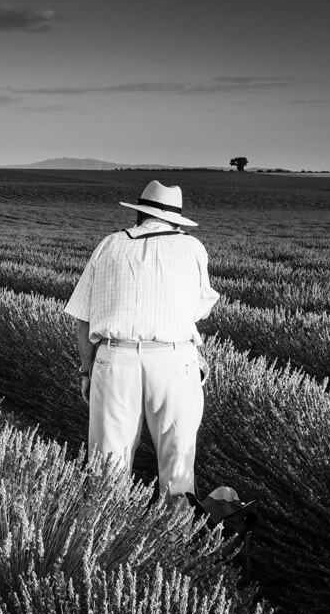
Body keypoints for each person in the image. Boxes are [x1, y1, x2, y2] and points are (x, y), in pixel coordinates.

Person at [64, 180, 219, 502]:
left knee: (108, 461)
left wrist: (86, 369)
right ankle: (178, 537)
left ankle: (107, 538)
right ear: (176, 220)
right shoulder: (192, 247)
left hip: (115, 358)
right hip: (174, 361)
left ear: (139, 214)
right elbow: (198, 310)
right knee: (178, 458)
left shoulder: (110, 244)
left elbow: (83, 316)